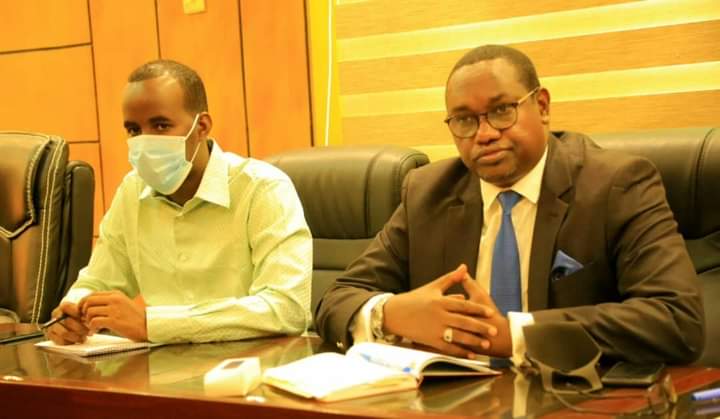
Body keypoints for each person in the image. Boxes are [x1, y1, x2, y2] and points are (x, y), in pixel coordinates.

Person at [314, 45, 705, 365]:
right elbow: (336, 300)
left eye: (502, 111)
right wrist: (391, 314)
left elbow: (676, 320)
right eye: (464, 120)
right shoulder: (427, 193)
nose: (484, 134)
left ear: (543, 107)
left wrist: (516, 335)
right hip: (455, 402)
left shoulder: (616, 185)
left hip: (571, 401)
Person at [47, 59, 312, 344]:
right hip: (163, 365)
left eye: (160, 125)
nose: (144, 142)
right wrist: (73, 311)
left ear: (202, 127)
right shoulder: (132, 191)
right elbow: (98, 281)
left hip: (255, 364)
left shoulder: (263, 188)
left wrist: (153, 324)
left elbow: (286, 308)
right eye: (134, 130)